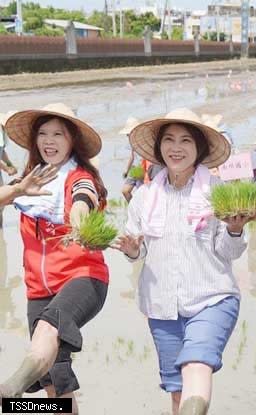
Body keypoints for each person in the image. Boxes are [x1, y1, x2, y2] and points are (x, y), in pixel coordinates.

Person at [112, 108, 254, 415]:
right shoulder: (143, 198)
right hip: (161, 305)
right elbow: (139, 251)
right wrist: (132, 249)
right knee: (177, 389)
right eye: (169, 140)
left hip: (212, 298)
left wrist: (234, 228)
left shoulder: (218, 193)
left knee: (196, 365)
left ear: (199, 148)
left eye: (186, 140)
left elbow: (229, 252)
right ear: (159, 148)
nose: (176, 148)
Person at [0, 103, 110, 415]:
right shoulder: (29, 181)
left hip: (82, 279)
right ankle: (18, 407)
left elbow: (83, 199)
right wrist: (18, 189)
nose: (49, 140)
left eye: (58, 134)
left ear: (72, 140)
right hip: (38, 289)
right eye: (43, 134)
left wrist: (78, 222)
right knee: (53, 384)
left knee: (49, 329)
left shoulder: (79, 177)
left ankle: (10, 390)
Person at [0, 112, 18, 227]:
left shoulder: (2, 133)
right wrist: (7, 168)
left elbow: (2, 151)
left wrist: (10, 164)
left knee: (2, 204)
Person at [120, 116, 142, 202]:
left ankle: (138, 209)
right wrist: (126, 170)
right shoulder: (131, 142)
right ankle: (133, 208)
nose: (128, 136)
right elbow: (132, 157)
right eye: (127, 134)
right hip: (135, 169)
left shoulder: (143, 141)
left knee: (142, 192)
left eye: (129, 133)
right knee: (125, 191)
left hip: (142, 169)